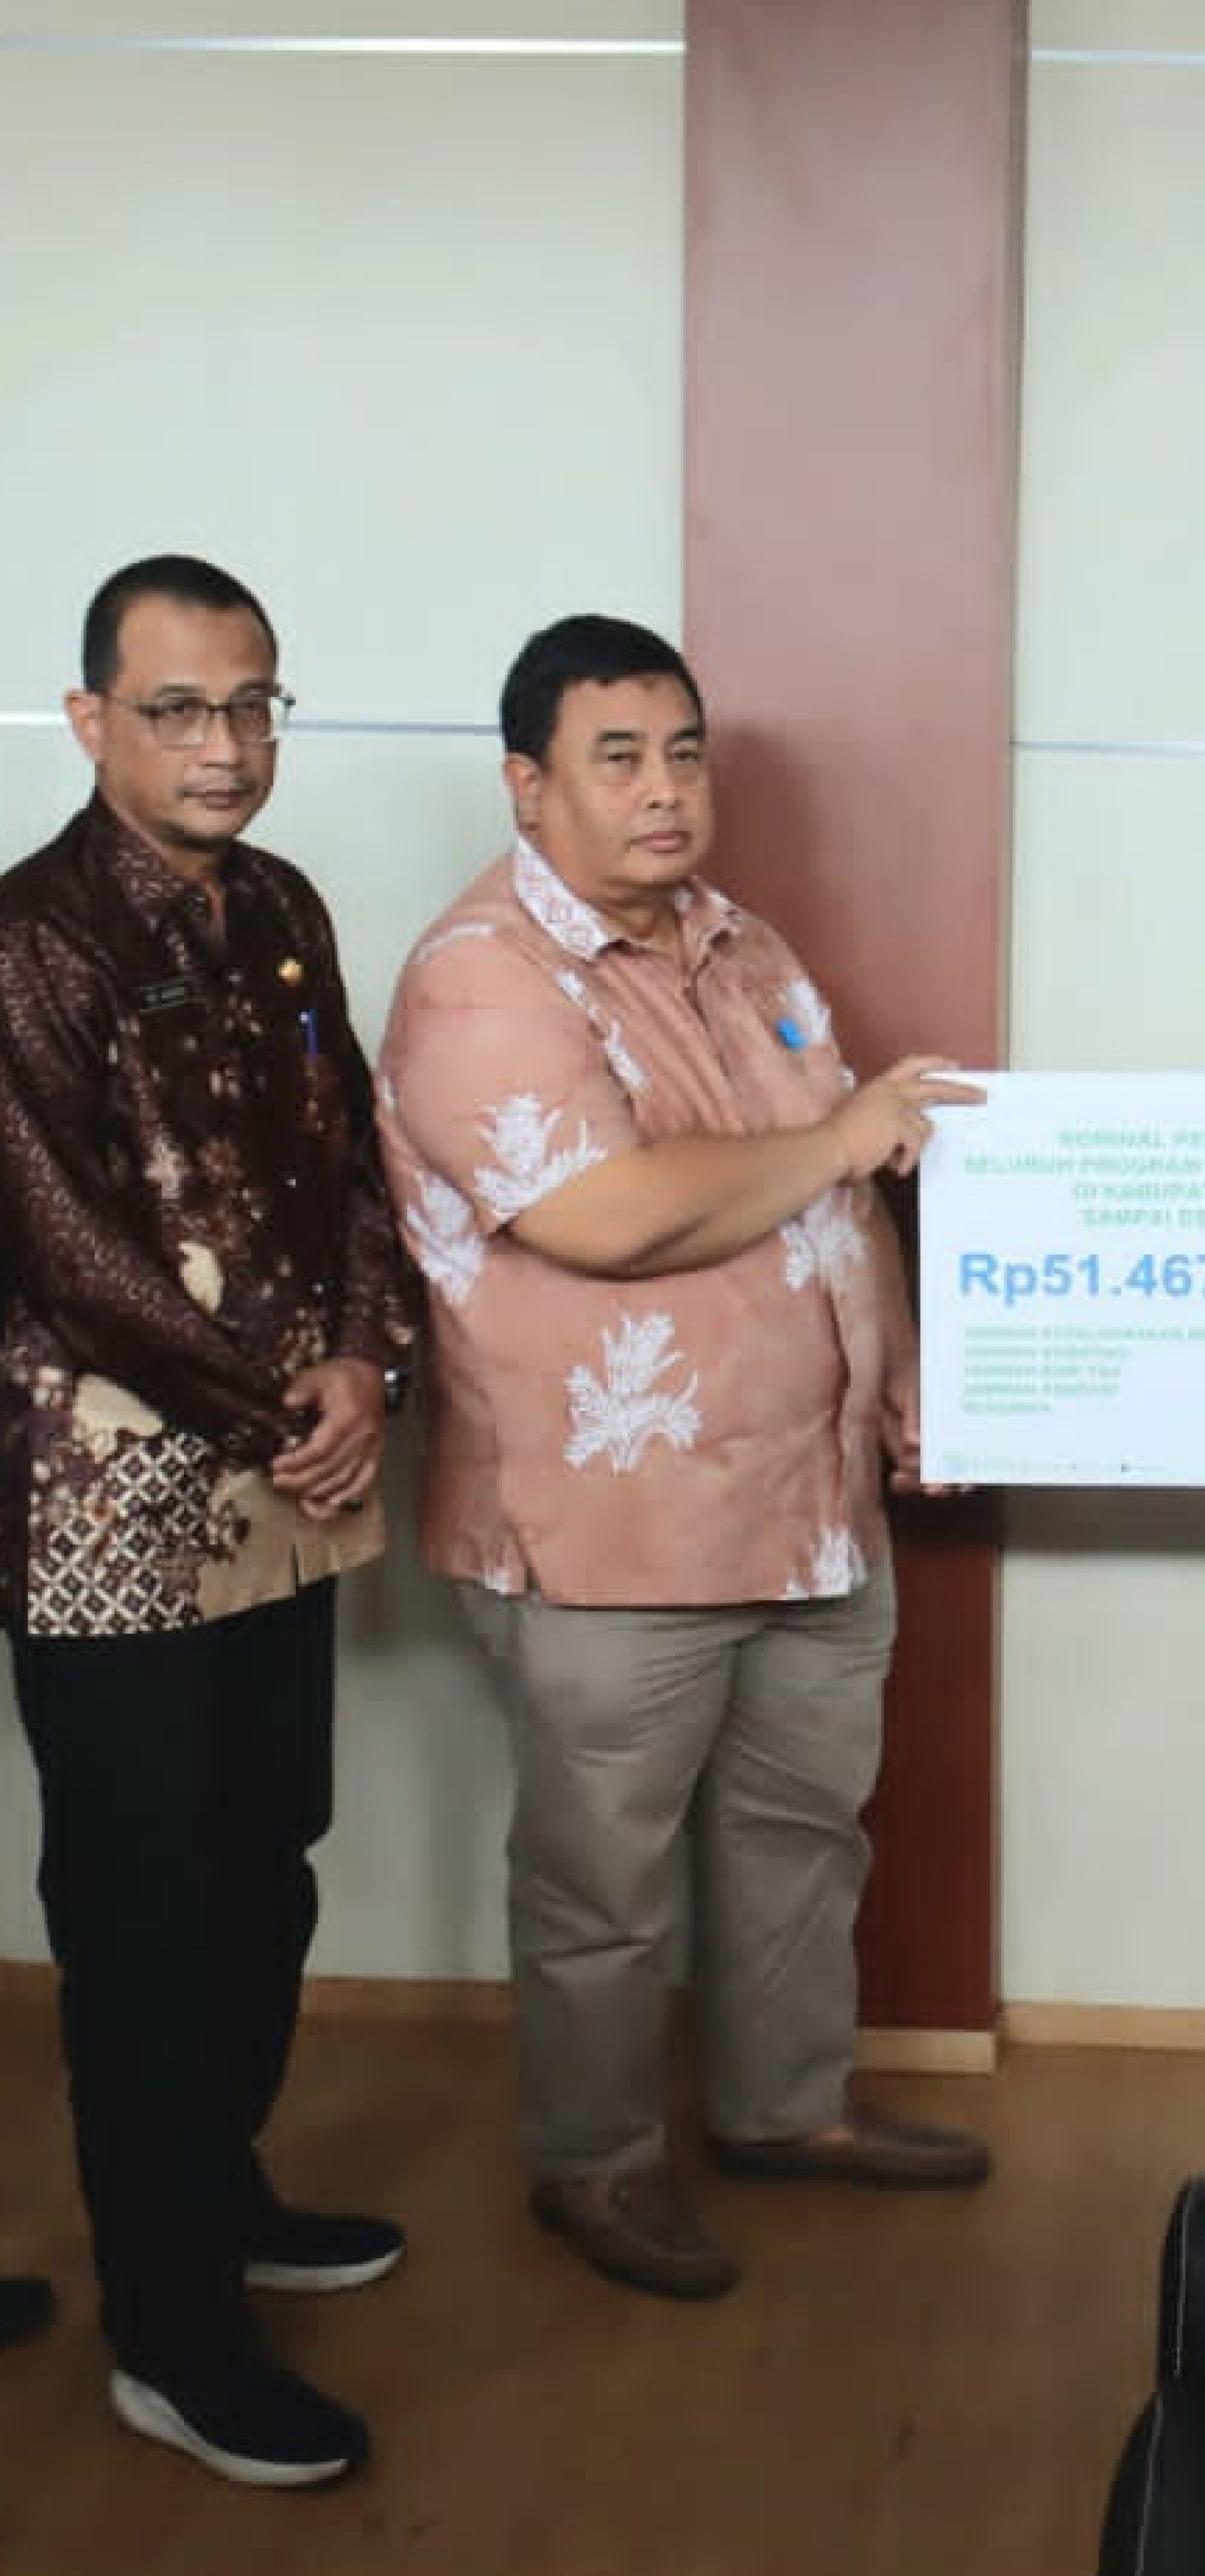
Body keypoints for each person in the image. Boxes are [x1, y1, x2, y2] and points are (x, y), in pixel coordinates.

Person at [376, 615, 990, 2304]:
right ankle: (596, 2162)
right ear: (529, 784)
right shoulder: (482, 975)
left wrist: (907, 1380)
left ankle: (788, 2109)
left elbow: (840, 1205)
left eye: (685, 753)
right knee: (605, 1882)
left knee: (804, 1834)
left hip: (811, 1504)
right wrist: (846, 1134)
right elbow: (601, 1215)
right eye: (618, 758)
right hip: (612, 1525)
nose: (664, 790)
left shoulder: (746, 944)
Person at [0, 556, 418, 2485]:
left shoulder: (284, 908)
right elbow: (70, 1256)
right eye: (178, 707)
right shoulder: (33, 939)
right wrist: (280, 1404)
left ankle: (217, 2191)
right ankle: (169, 2335)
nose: (226, 743)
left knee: (270, 1857)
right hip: (105, 1509)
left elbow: (354, 1163)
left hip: (285, 1480)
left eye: (254, 702)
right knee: (146, 1915)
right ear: (90, 719)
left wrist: (365, 1361)